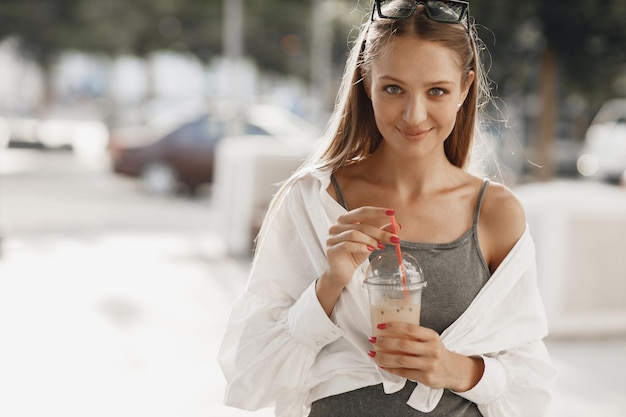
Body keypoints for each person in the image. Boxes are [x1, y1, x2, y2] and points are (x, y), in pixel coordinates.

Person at [219, 0, 557, 416]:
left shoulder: (495, 212)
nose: (414, 115)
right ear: (366, 80)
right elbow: (251, 372)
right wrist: (331, 281)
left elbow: (529, 380)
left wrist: (457, 370)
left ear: (465, 88)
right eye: (393, 89)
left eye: (437, 91)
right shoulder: (313, 200)